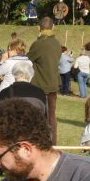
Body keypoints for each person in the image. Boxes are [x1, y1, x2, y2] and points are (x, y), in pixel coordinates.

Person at [27, 16, 62, 144]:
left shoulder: (39, 43)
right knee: (51, 116)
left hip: (39, 86)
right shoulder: (57, 43)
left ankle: (38, 143)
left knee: (37, 116)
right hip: (53, 84)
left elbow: (28, 59)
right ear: (53, 27)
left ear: (39, 28)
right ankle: (53, 144)